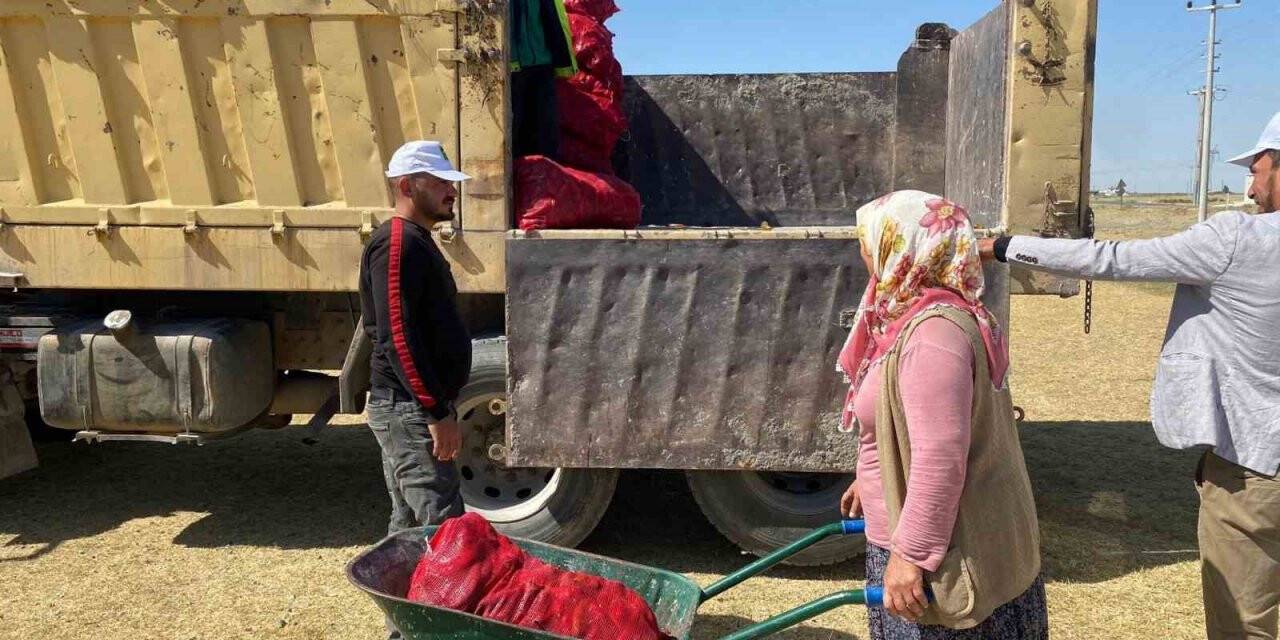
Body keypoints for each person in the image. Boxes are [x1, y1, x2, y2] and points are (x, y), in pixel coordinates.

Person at [979, 112, 1280, 640]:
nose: (1250, 187)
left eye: (1256, 170)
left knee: (1243, 623)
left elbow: (1115, 259)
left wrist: (1004, 247)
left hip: (1257, 467)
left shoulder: (1239, 239)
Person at [839, 191, 1047, 639]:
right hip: (905, 528)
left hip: (937, 556)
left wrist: (910, 556)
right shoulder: (908, 317)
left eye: (869, 239)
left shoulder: (932, 337)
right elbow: (906, 422)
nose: (862, 250)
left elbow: (939, 458)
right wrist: (873, 470)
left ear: (905, 244)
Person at [359, 141, 472, 540]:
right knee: (443, 530)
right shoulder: (397, 244)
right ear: (407, 186)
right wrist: (436, 412)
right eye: (440, 182)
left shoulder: (416, 240)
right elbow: (398, 338)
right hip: (408, 408)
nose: (452, 191)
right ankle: (440, 602)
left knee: (408, 528)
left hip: (412, 407)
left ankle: (401, 596)